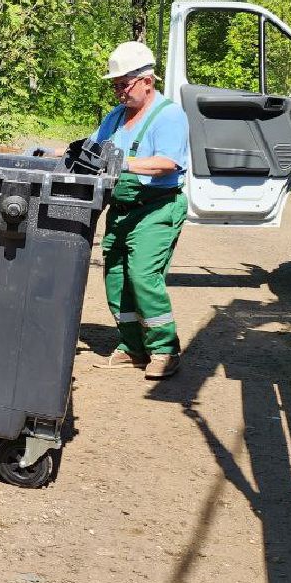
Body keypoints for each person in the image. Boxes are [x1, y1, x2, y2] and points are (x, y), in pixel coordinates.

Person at [88, 41, 191, 379]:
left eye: (124, 84)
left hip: (156, 207)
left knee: (143, 276)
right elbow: (92, 149)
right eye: (115, 85)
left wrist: (126, 163)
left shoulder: (169, 115)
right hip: (122, 208)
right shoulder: (116, 116)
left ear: (147, 80)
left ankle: (164, 349)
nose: (118, 92)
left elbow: (168, 163)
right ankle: (132, 347)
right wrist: (59, 156)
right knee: (115, 276)